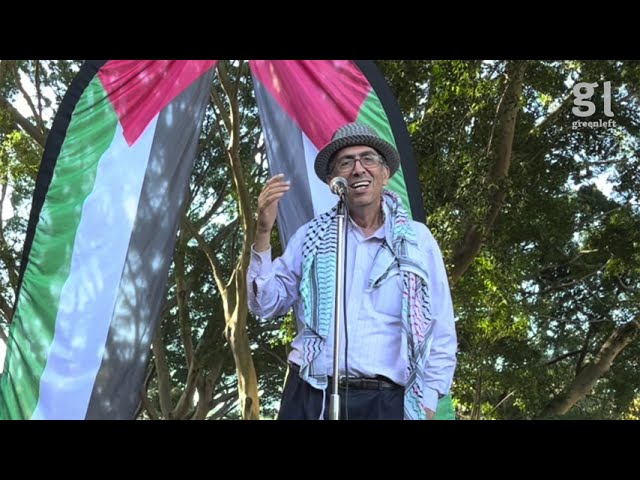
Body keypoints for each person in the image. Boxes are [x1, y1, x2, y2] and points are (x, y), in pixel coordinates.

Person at [248, 122, 457, 420]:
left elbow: (441, 328)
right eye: (346, 162)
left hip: (385, 402)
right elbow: (264, 305)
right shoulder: (311, 236)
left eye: (368, 159)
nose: (358, 169)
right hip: (310, 395)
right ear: (334, 181)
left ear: (385, 174)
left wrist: (428, 401)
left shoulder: (417, 240)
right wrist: (263, 231)